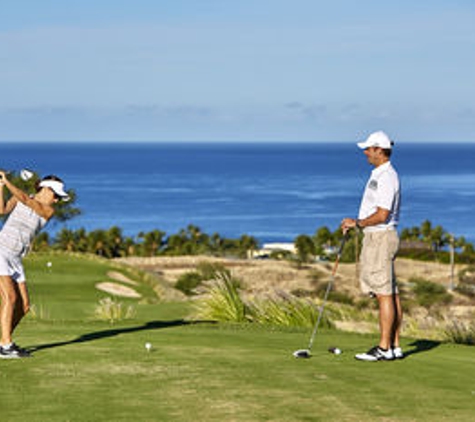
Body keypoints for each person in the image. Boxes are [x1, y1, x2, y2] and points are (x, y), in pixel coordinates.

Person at [341, 131, 403, 361]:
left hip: (380, 238)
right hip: (381, 237)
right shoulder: (382, 174)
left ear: (379, 150)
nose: (365, 152)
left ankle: (384, 348)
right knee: (391, 293)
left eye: (368, 148)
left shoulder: (386, 176)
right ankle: (394, 345)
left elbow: (382, 214)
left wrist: (358, 223)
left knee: (383, 294)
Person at [0, 171, 69, 358]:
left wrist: (7, 182)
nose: (56, 201)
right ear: (46, 190)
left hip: (16, 257)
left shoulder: (48, 211)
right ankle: (6, 345)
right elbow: (2, 210)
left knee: (24, 306)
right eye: (56, 196)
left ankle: (3, 341)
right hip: (1, 251)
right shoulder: (24, 198)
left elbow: (25, 200)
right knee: (11, 298)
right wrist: (1, 187)